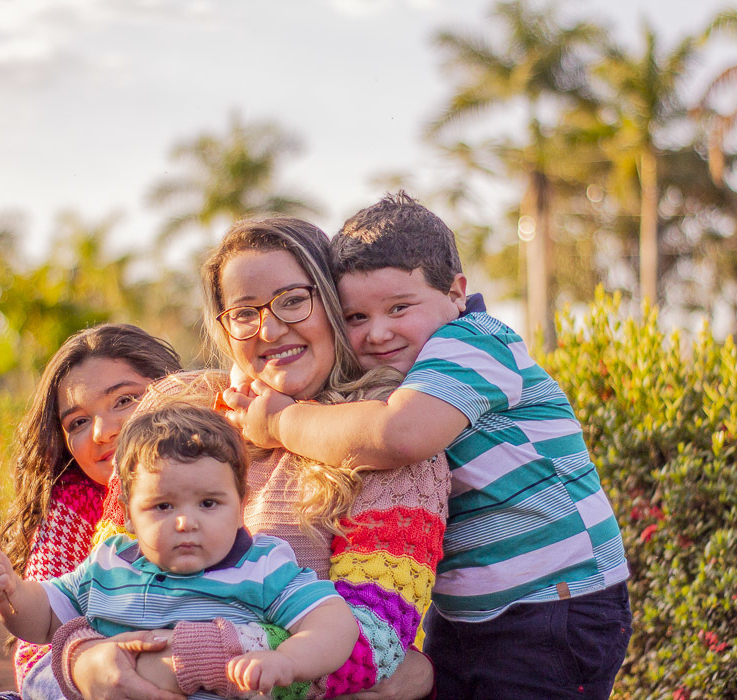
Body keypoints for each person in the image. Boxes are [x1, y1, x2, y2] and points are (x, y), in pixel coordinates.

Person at [229, 192, 633, 699]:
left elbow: (396, 436)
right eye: (355, 318)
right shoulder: (406, 368)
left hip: (552, 606)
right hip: (468, 613)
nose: (378, 332)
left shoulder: (472, 342)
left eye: (400, 307)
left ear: (457, 292)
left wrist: (281, 422)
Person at [55, 218, 450, 700]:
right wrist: (81, 659)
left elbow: (375, 641)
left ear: (331, 302)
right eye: (244, 313)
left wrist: (186, 659)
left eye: (292, 301)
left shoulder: (385, 441)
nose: (270, 328)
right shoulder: (175, 413)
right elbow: (101, 576)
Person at [0, 395, 358, 697]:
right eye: (162, 506)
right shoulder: (108, 565)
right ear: (127, 515)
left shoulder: (261, 566)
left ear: (241, 504)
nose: (185, 521)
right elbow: (42, 621)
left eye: (209, 503)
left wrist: (287, 660)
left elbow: (334, 622)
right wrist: (8, 593)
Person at [0, 323, 183, 700]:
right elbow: (34, 660)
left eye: (124, 400)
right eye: (78, 422)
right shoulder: (73, 507)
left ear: (176, 392)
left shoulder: (235, 479)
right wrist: (88, 669)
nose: (102, 432)